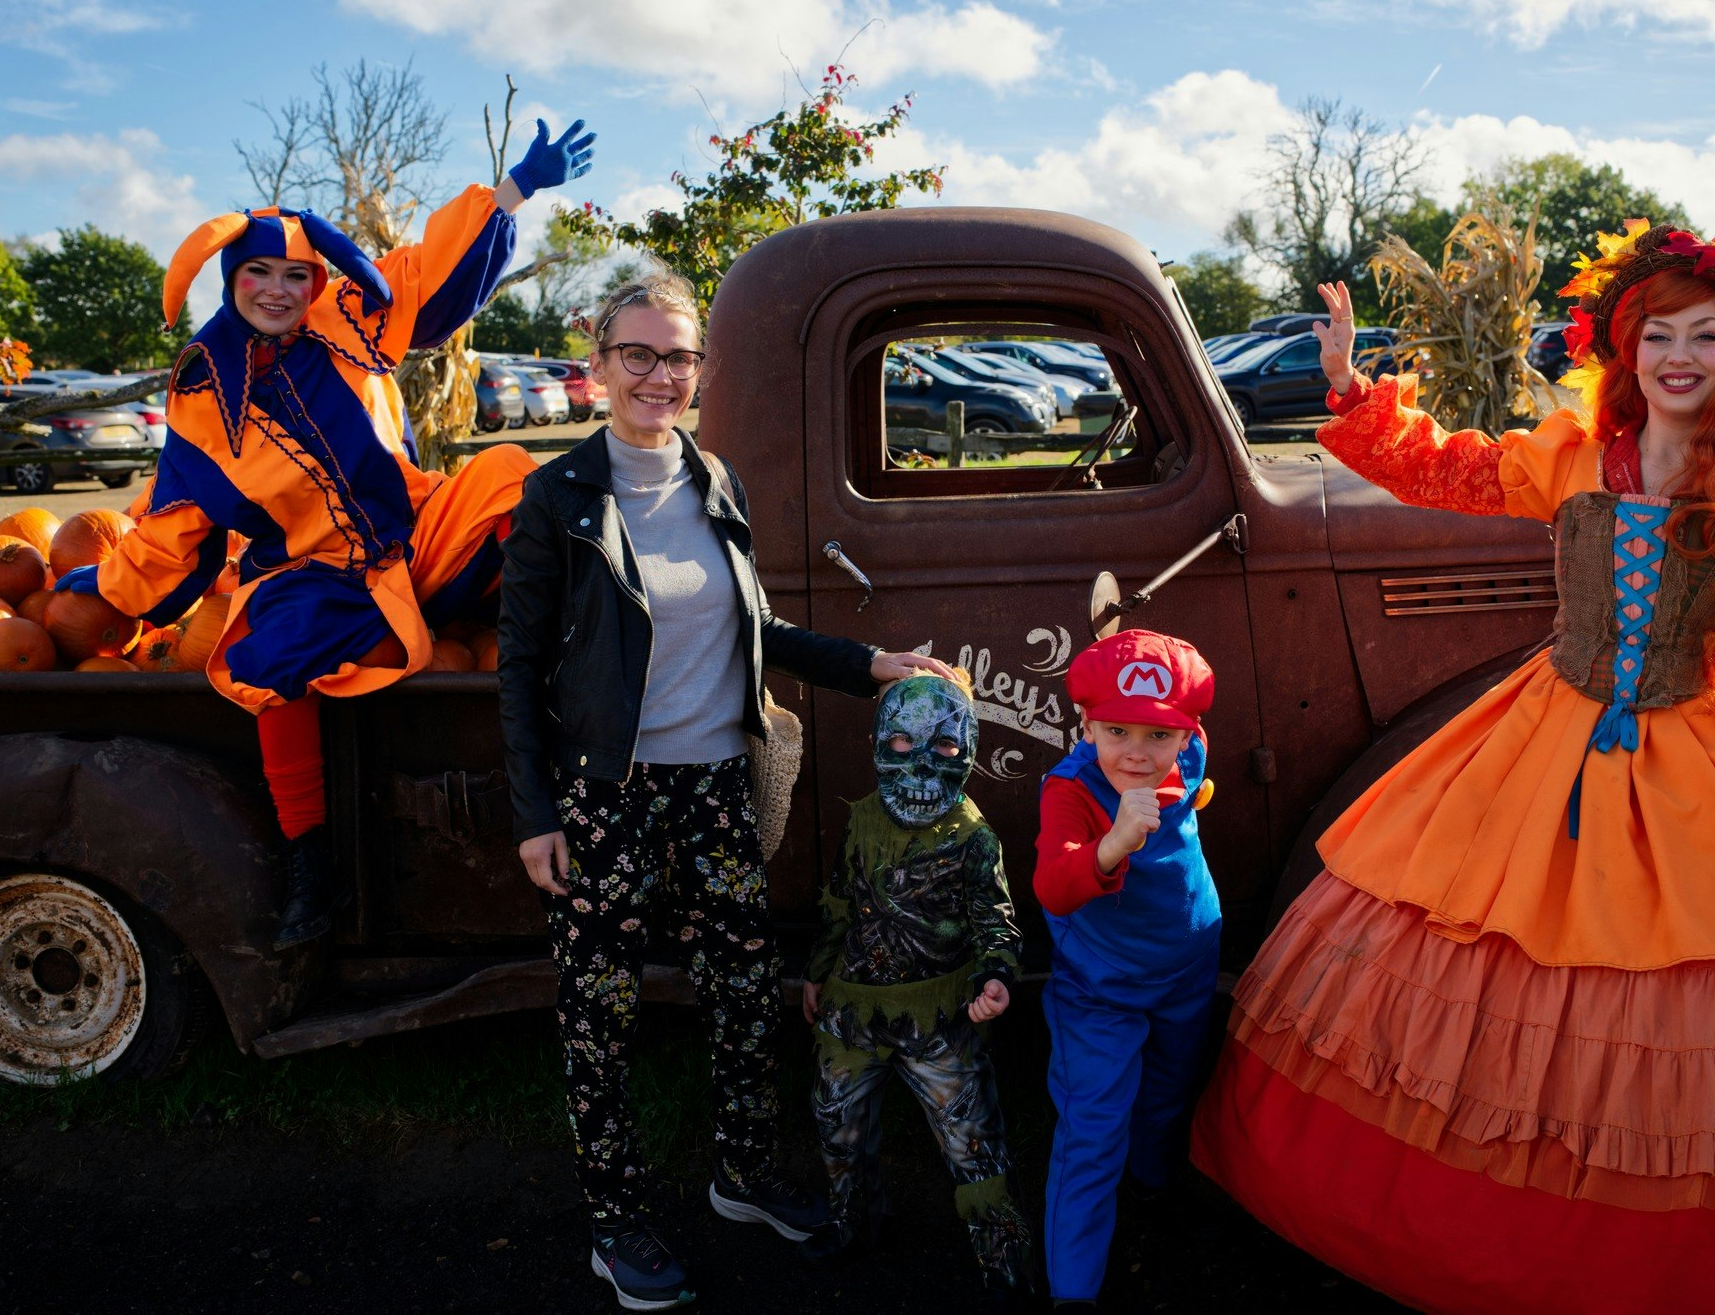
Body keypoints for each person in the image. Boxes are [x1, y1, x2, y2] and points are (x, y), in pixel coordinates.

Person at [1191, 229, 1715, 1314]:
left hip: (1703, 753)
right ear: (1624, 351)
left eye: (1704, 336)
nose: (1678, 357)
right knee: (1468, 931)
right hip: (1547, 739)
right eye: (1657, 335)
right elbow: (1447, 469)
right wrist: (1349, 389)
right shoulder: (1574, 457)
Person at [497, 271, 955, 1312]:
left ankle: (744, 1175)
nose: (659, 375)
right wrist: (535, 815)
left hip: (714, 787)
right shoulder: (557, 495)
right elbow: (517, 668)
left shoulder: (716, 481)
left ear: (699, 369)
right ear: (599, 363)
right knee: (601, 1016)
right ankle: (615, 1222)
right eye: (638, 354)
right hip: (605, 797)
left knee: (745, 997)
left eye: (679, 356)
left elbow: (757, 629)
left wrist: (868, 664)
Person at [59, 117, 598, 948]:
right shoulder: (201, 398)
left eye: (295, 274)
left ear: (316, 279)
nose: (278, 290)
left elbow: (422, 274)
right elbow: (177, 521)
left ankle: (586, 693)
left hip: (419, 532)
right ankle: (311, 858)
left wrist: (515, 188)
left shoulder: (347, 319)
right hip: (315, 569)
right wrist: (103, 585)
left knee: (514, 478)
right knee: (270, 652)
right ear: (232, 278)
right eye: (259, 272)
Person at [797, 670, 1036, 1306]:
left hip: (939, 1022)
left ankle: (1004, 1260)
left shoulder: (973, 837)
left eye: (945, 747)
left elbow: (996, 921)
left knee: (973, 1142)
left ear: (968, 749)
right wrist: (818, 972)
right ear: (879, 744)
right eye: (902, 744)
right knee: (836, 1121)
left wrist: (995, 975)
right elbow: (840, 901)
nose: (921, 765)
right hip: (855, 1011)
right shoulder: (861, 821)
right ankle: (855, 1223)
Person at [1033, 629, 1220, 1310]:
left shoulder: (1190, 755)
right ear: (1085, 725)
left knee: (1170, 1091)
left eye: (1158, 735)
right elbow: (1054, 885)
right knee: (1093, 1128)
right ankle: (1073, 1291)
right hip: (1100, 988)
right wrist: (1111, 844)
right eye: (1116, 731)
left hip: (1187, 968)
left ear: (1188, 734)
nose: (1137, 753)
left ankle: (1152, 1186)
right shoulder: (1071, 787)